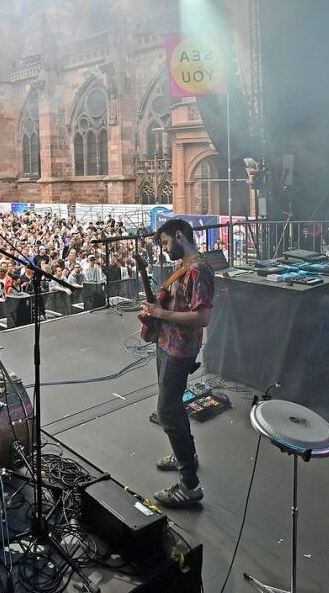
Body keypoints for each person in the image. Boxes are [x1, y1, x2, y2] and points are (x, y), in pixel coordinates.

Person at [139, 218, 214, 509]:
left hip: (180, 351)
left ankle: (190, 484)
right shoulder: (182, 267)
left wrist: (162, 314)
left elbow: (201, 318)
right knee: (173, 406)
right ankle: (188, 455)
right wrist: (155, 313)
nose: (164, 249)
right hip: (166, 343)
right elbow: (174, 306)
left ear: (180, 236)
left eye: (166, 243)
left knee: (166, 411)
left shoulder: (199, 270)